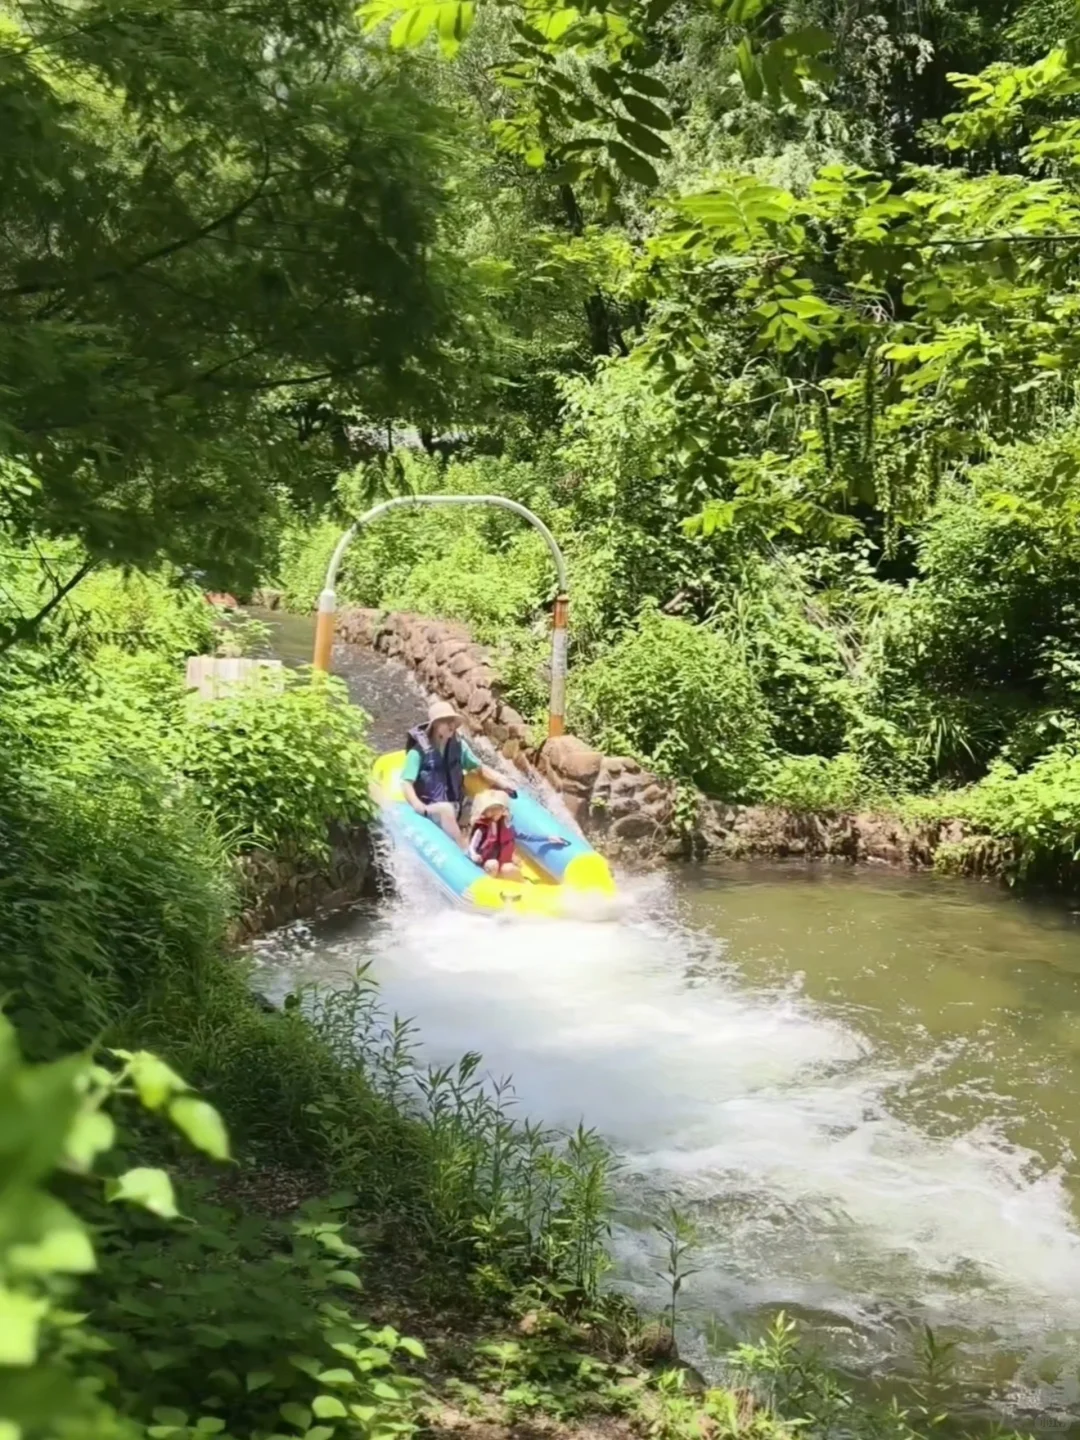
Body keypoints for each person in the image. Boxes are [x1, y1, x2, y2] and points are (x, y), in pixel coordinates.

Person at [401, 699, 514, 848]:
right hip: (432, 807)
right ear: (435, 725)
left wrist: (500, 780)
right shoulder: (418, 752)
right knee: (446, 809)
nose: (452, 725)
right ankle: (462, 847)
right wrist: (417, 805)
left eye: (453, 721)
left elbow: (478, 767)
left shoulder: (459, 746)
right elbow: (406, 782)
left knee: (485, 801)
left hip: (456, 803)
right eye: (446, 721)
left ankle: (493, 843)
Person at [467, 790, 567, 881]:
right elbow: (472, 847)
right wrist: (474, 856)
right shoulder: (482, 829)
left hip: (501, 862)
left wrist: (548, 838)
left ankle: (523, 887)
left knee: (509, 869)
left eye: (497, 809)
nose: (494, 812)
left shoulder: (507, 827)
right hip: (485, 862)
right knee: (493, 864)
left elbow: (527, 836)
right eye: (491, 810)